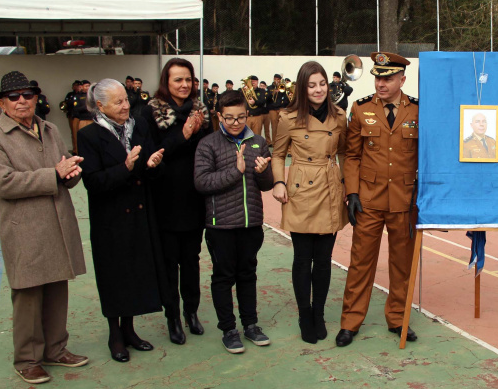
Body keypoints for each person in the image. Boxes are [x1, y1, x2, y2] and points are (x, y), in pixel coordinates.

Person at [0, 71, 89, 384]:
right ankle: (27, 359)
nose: (21, 101)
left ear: (36, 98)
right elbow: (4, 183)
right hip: (24, 228)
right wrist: (55, 174)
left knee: (56, 288)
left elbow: (64, 166)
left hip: (57, 222)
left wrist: (72, 173)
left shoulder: (49, 129)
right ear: (1, 103)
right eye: (13, 97)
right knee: (27, 294)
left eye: (27, 95)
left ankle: (55, 349)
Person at [78, 79, 166, 363]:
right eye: (118, 102)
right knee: (113, 275)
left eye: (126, 99)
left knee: (135, 271)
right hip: (110, 217)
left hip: (140, 211)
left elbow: (150, 162)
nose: (126, 105)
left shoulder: (139, 126)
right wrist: (125, 167)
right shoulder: (89, 135)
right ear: (100, 106)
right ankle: (114, 334)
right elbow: (92, 181)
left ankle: (129, 329)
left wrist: (151, 164)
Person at [337, 52, 419, 347]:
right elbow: (352, 155)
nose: (381, 84)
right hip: (369, 201)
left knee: (402, 265)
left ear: (402, 80)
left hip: (404, 200)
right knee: (360, 263)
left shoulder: (418, 110)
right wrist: (352, 193)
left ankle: (398, 319)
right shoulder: (360, 109)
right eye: (377, 78)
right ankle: (350, 322)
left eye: (388, 79)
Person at [271, 62, 348, 344]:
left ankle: (319, 314)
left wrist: (347, 187)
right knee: (303, 259)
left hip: (329, 187)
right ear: (302, 88)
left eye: (322, 84)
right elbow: (278, 154)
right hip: (301, 189)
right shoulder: (288, 117)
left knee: (324, 261)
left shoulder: (339, 116)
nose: (318, 90)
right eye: (311, 85)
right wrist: (279, 182)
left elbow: (345, 153)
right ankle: (305, 315)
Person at [194, 89, 274, 354]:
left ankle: (250, 325)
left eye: (240, 117)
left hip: (251, 224)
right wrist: (235, 171)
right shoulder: (208, 144)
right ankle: (228, 329)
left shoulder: (258, 142)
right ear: (220, 116)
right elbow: (202, 182)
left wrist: (262, 173)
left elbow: (266, 184)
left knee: (247, 274)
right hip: (222, 226)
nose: (236, 123)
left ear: (247, 114)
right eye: (229, 118)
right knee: (223, 277)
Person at [143, 58, 211, 345]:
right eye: (177, 80)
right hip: (165, 198)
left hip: (194, 197)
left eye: (188, 80)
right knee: (169, 262)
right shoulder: (150, 112)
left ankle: (191, 312)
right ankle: (172, 316)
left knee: (191, 260)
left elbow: (209, 150)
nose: (184, 85)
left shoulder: (201, 112)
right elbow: (151, 154)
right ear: (166, 82)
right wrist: (182, 135)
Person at [70, 79, 93, 155]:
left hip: (92, 119)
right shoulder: (78, 96)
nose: (88, 87)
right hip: (83, 119)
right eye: (86, 86)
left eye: (89, 86)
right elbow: (76, 108)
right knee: (82, 138)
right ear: (82, 87)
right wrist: (87, 107)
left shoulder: (92, 96)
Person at [267, 74, 290, 147]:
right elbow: (266, 98)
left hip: (281, 109)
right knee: (274, 127)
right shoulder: (269, 88)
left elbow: (286, 99)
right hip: (272, 109)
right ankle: (274, 143)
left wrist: (281, 91)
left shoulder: (283, 87)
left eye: (278, 79)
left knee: (282, 126)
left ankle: (282, 143)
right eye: (275, 79)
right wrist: (273, 93)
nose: (277, 81)